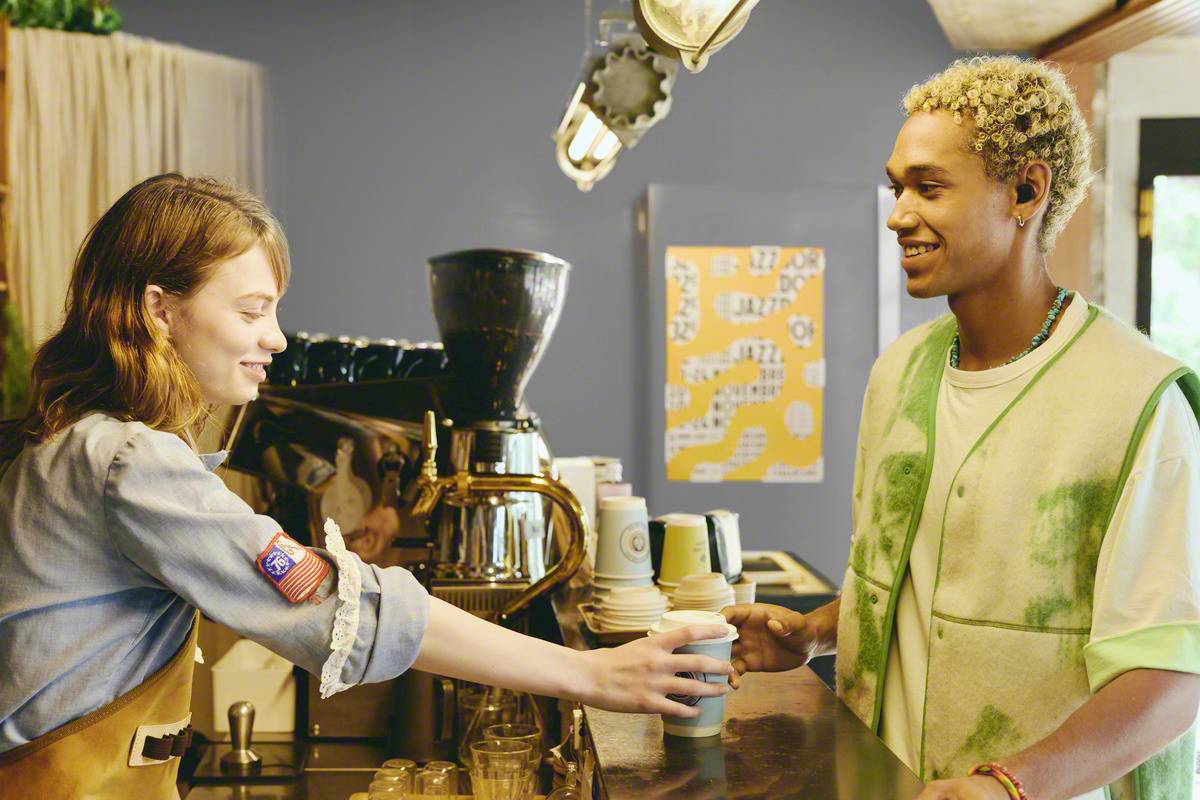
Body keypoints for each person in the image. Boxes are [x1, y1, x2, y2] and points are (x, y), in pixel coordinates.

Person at [0, 174, 734, 799]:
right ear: (159, 310)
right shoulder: (128, 461)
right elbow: (337, 608)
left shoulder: (82, 440)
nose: (276, 337)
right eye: (252, 311)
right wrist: (592, 674)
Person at [724, 56, 1200, 800]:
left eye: (929, 187)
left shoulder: (1138, 401)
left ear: (1026, 192)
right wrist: (814, 633)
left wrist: (1008, 785)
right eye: (897, 187)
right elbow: (923, 585)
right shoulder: (900, 374)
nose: (898, 214)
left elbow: (1171, 675)